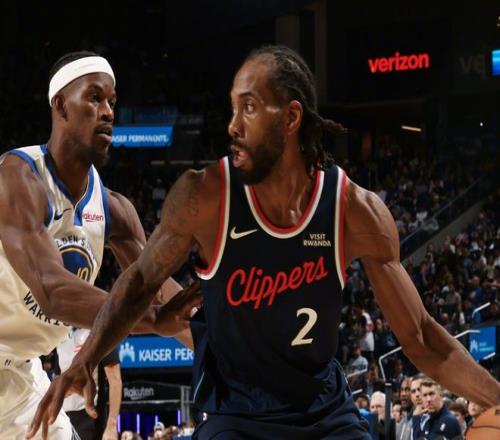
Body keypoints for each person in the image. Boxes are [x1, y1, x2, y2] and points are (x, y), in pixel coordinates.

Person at [28, 45, 500, 439]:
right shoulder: (204, 196)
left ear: (291, 117)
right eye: (233, 109)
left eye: (249, 108)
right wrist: (86, 359)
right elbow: (138, 283)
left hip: (325, 413)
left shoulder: (355, 210)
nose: (233, 125)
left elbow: (422, 338)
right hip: (236, 417)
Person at [0, 51, 200, 439]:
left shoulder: (115, 210)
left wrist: (227, 348)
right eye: (94, 98)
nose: (108, 111)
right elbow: (52, 291)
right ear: (61, 105)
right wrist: (152, 320)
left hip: (20, 376)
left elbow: (160, 293)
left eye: (111, 101)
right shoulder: (17, 177)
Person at [57, 328, 122, 440]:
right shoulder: (61, 333)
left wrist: (111, 426)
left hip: (89, 416)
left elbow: (115, 380)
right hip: (63, 415)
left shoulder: (101, 332)